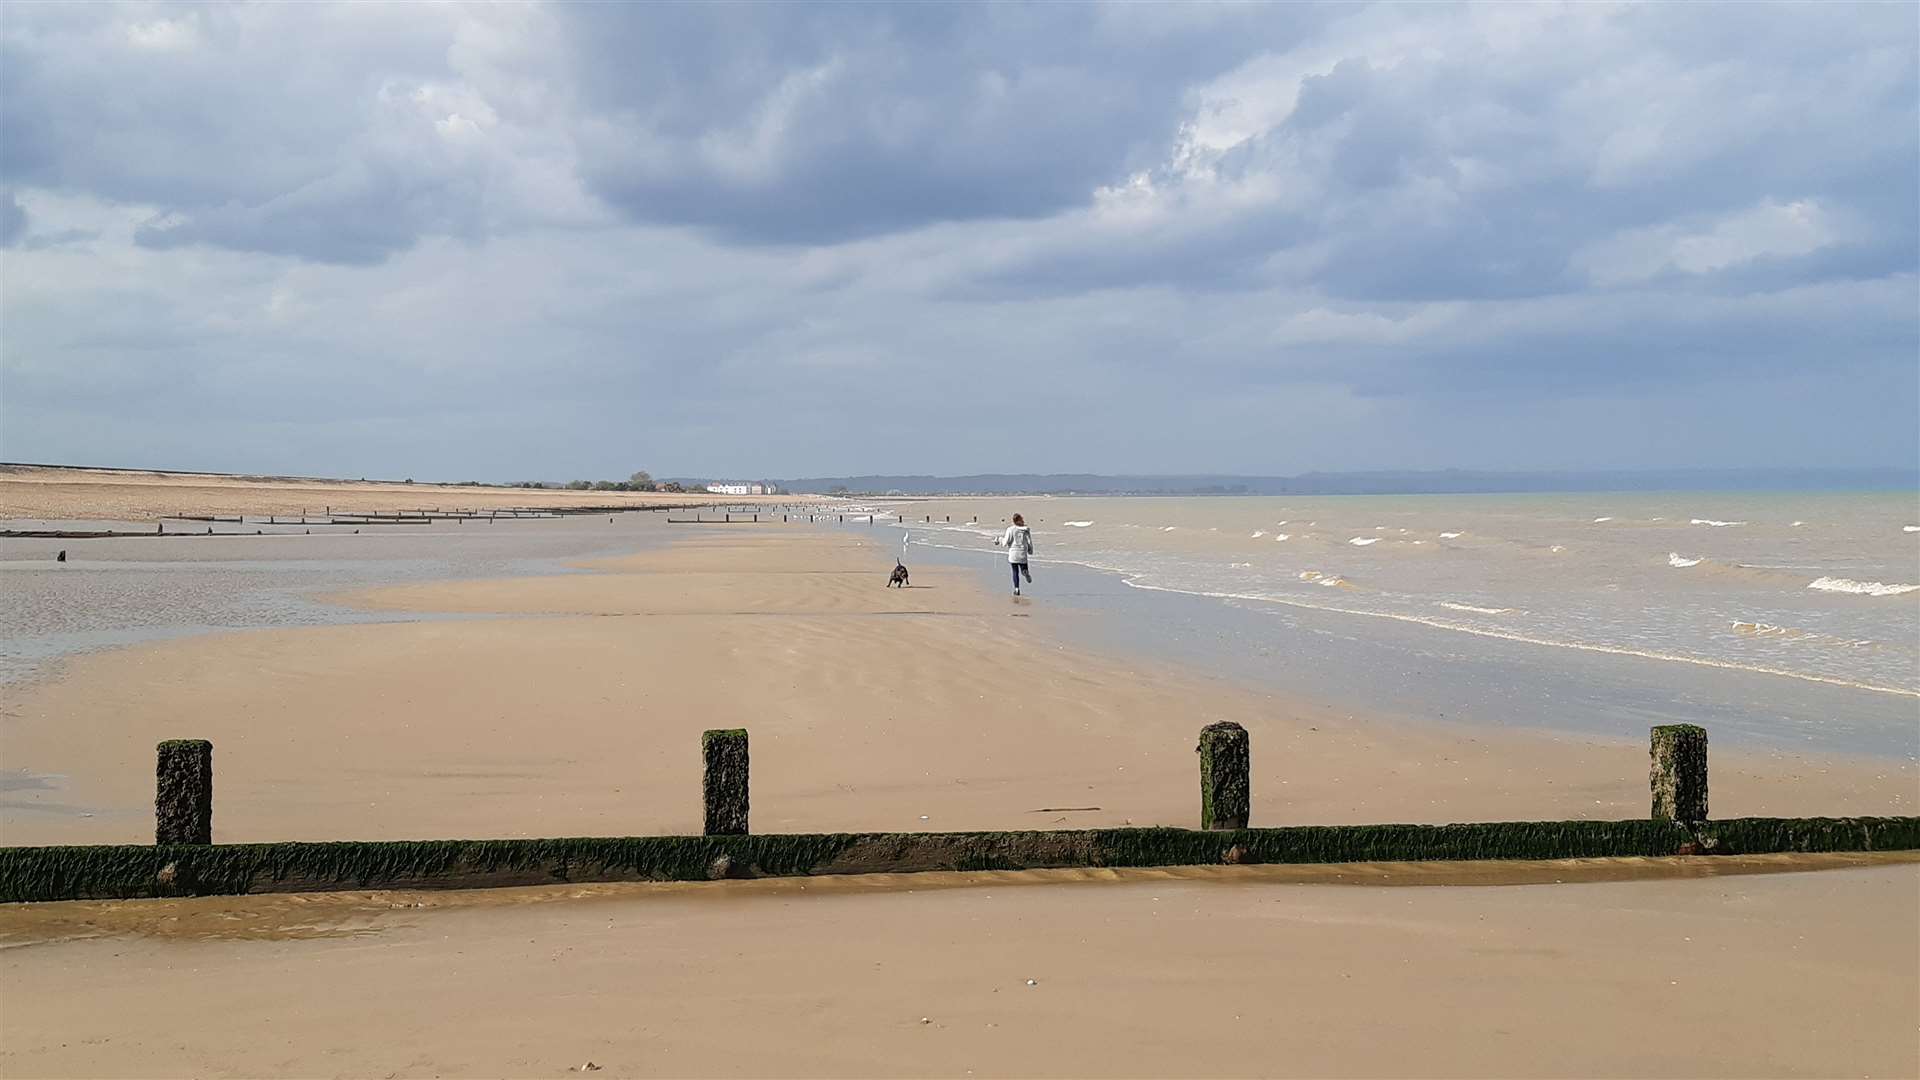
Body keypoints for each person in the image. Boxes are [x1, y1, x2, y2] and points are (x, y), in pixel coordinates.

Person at [997, 514, 1035, 595]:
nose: (1023, 521)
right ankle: (1025, 572)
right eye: (1022, 519)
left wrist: (999, 539)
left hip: (1013, 554)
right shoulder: (1026, 530)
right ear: (1018, 520)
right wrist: (1030, 550)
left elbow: (1005, 543)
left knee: (1015, 571)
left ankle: (1017, 589)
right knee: (1023, 568)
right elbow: (1029, 542)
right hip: (1022, 553)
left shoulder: (1010, 529)